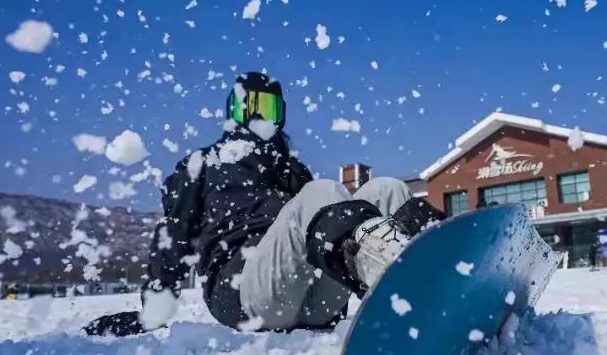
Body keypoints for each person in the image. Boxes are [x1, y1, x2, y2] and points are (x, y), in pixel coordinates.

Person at [85, 71, 444, 336]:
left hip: (314, 302)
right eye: (247, 105)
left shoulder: (290, 170)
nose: (256, 116)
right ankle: (414, 289)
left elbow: (333, 221)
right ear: (232, 112)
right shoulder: (203, 164)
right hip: (246, 295)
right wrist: (151, 314)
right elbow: (174, 237)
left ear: (279, 114)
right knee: (323, 192)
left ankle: (440, 274)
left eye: (266, 107)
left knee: (386, 189)